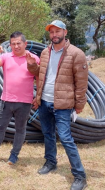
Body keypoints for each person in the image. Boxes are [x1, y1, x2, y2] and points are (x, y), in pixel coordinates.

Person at [26, 20, 88, 190]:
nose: (54, 35)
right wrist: (32, 64)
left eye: (57, 31)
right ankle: (51, 162)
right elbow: (40, 74)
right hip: (45, 101)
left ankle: (80, 175)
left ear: (65, 32)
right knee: (47, 134)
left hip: (63, 103)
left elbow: (82, 83)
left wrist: (79, 104)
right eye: (51, 32)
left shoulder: (76, 54)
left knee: (66, 139)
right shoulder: (45, 52)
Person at [0, 31, 40, 164]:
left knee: (20, 129)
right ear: (10, 45)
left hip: (24, 102)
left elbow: (40, 78)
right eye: (13, 44)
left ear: (25, 43)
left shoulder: (33, 58)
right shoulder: (6, 57)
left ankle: (14, 155)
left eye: (19, 43)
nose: (16, 46)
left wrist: (38, 95)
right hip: (6, 100)